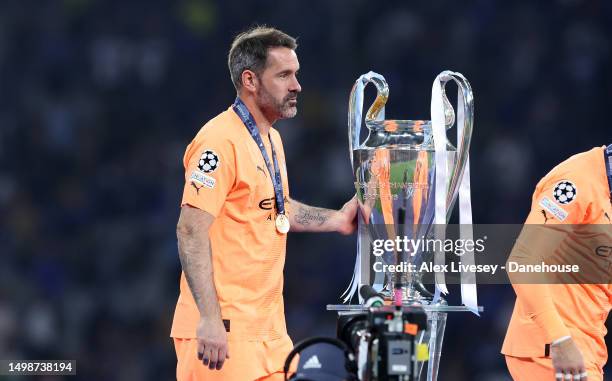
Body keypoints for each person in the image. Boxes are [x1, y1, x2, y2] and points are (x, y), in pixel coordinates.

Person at [170, 26, 358, 381]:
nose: (296, 85)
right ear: (250, 81)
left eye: (296, 74)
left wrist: (336, 219)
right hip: (224, 332)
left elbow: (277, 206)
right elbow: (189, 229)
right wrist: (209, 319)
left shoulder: (270, 140)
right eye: (284, 75)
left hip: (269, 334)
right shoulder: (218, 141)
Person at [502, 145, 612, 381]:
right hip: (554, 351)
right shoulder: (575, 182)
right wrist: (560, 340)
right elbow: (523, 262)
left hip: (587, 349)